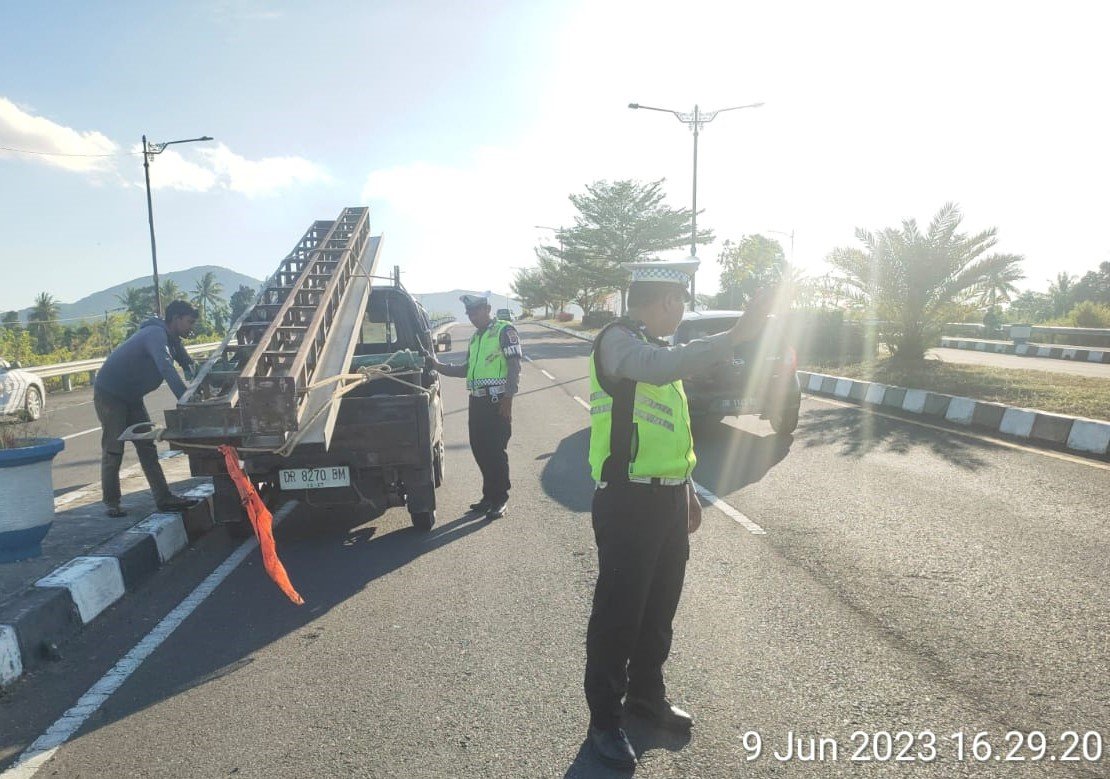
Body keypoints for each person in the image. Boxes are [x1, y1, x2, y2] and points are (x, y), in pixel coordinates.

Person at [583, 259, 776, 768]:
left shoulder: (657, 349)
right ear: (666, 301)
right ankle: (605, 720)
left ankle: (646, 696)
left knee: (658, 608)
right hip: (628, 500)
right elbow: (659, 368)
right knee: (619, 615)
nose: (683, 311)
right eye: (681, 302)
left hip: (666, 499)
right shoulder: (618, 343)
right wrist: (735, 335)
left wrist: (685, 487)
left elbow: (670, 429)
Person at [93, 300, 201, 517]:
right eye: (189, 322)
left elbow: (189, 365)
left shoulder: (174, 340)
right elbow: (166, 368)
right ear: (176, 319)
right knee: (114, 447)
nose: (191, 327)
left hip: (132, 397)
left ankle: (164, 498)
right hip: (111, 394)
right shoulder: (156, 335)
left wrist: (201, 381)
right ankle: (112, 503)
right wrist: (186, 401)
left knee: (147, 447)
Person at [429, 295, 522, 520]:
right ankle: (488, 496)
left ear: (487, 309)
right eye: (469, 314)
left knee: (495, 451)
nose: (472, 317)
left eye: (476, 312)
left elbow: (514, 365)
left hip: (497, 402)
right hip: (477, 401)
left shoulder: (504, 331)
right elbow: (466, 369)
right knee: (480, 449)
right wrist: (438, 366)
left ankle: (500, 499)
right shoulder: (475, 338)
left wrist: (508, 398)